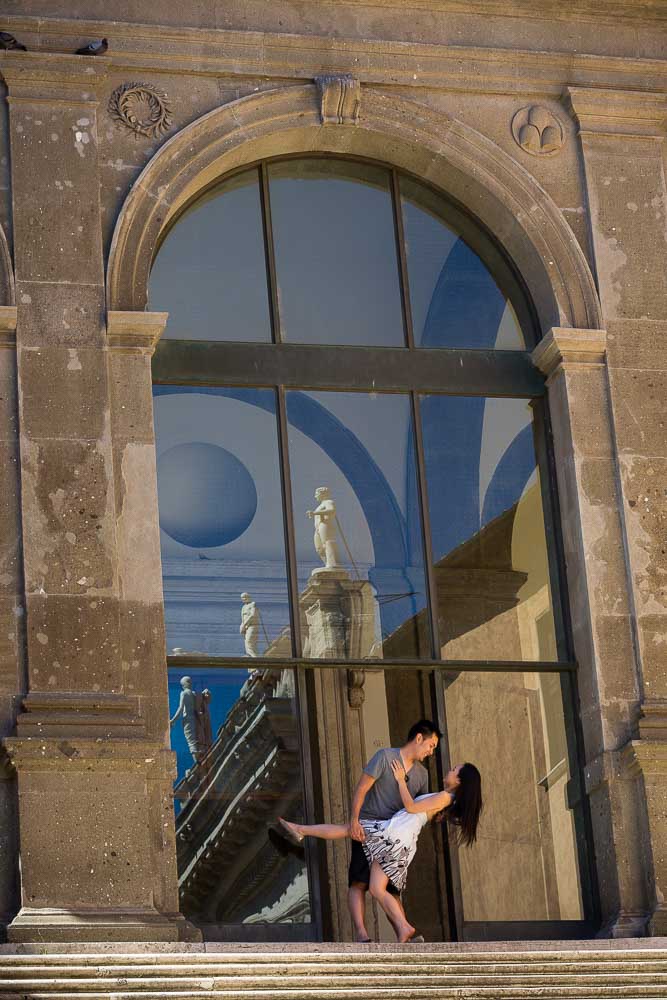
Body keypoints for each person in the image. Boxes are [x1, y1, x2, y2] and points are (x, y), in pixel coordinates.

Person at [277, 754, 482, 943]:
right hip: (397, 838)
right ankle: (404, 928)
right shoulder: (446, 799)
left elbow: (411, 807)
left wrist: (401, 779)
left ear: (460, 781)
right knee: (376, 887)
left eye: (454, 769)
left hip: (394, 836)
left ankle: (301, 830)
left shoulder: (444, 798)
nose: (450, 770)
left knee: (349, 830)